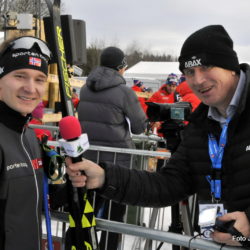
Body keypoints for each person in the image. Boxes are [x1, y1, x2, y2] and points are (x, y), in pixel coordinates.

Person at [67, 25, 250, 247]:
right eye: (190, 72)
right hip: (213, 239)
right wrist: (105, 177)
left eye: (207, 66)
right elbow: (169, 184)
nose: (198, 80)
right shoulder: (200, 124)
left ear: (230, 66)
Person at [77, 46, 147, 250]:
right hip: (118, 163)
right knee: (114, 216)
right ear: (120, 67)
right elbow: (139, 127)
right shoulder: (124, 92)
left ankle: (81, 245)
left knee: (85, 211)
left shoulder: (85, 87)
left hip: (89, 158)